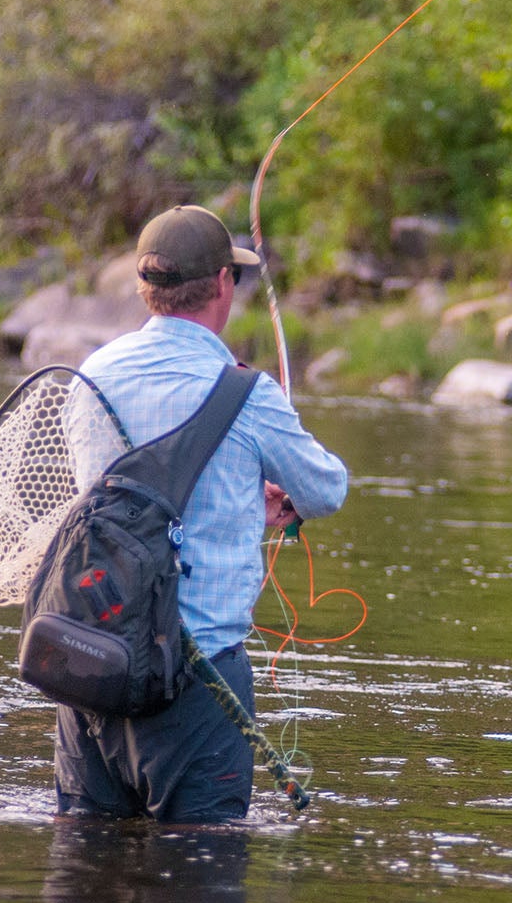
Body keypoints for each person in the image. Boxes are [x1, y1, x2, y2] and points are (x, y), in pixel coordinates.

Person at [55, 204, 348, 822]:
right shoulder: (244, 391)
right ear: (221, 284)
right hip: (199, 683)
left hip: (91, 665)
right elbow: (326, 489)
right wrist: (272, 496)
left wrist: (241, 493)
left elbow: (114, 497)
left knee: (84, 892)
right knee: (202, 884)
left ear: (145, 288)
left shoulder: (94, 372)